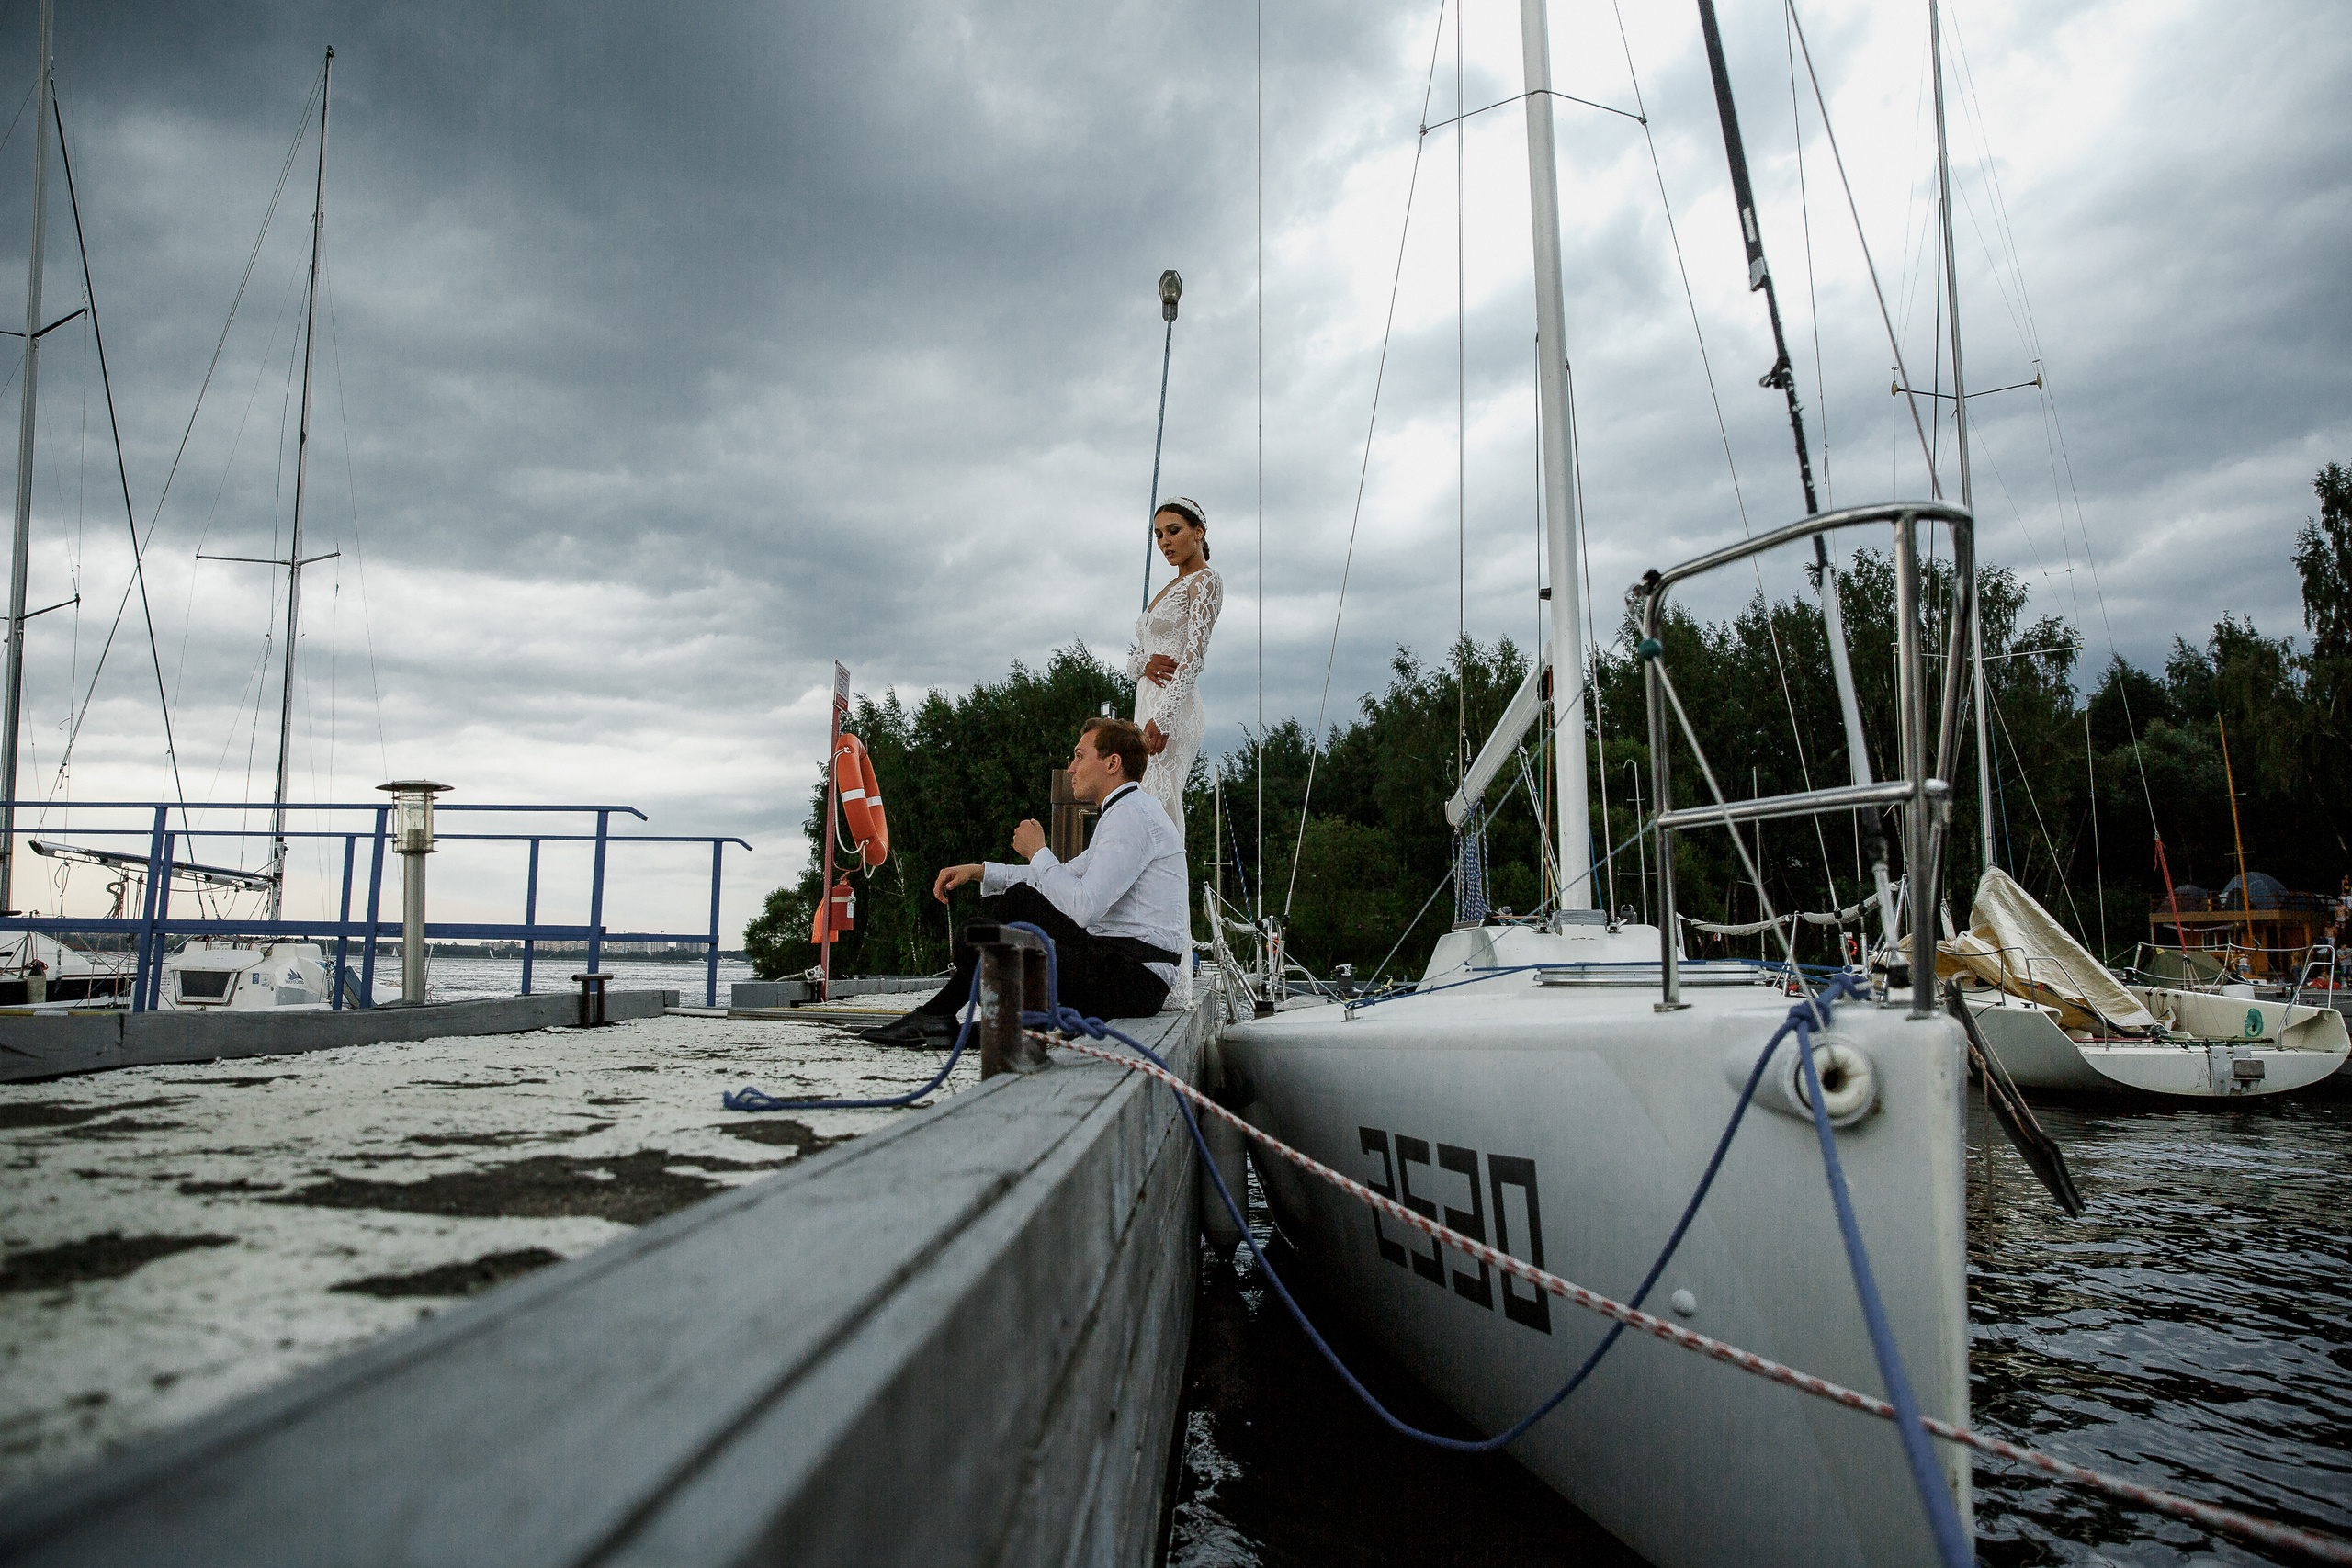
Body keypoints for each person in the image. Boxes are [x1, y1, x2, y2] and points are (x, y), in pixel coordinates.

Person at [864, 716, 1187, 1045]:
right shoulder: (1127, 811)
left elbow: (1084, 907)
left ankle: (958, 1018)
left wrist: (1038, 851)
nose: (1071, 768)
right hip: (1116, 964)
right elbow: (1065, 875)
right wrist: (979, 871)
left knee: (973, 939)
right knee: (1016, 902)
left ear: (1112, 763)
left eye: (1079, 755)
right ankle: (963, 1019)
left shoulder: (1131, 817)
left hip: (1132, 981)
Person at [1126, 496, 1222, 852]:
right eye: (1158, 535)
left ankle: (1168, 895)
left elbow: (1194, 656)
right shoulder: (1167, 589)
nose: (1165, 541)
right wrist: (1145, 664)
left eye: (1173, 531)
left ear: (1199, 532)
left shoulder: (1205, 581)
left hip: (1172, 712)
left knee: (1158, 805)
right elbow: (1135, 660)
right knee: (1141, 802)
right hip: (1145, 708)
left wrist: (1164, 718)